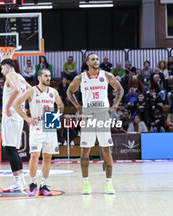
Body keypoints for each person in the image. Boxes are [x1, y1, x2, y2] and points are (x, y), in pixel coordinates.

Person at [67, 53, 124, 194]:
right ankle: (86, 183)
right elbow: (69, 91)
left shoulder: (106, 75)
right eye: (93, 59)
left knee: (106, 149)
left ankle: (109, 183)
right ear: (87, 62)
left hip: (103, 114)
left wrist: (115, 105)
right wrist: (77, 106)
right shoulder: (80, 77)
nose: (96, 61)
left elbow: (120, 89)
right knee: (85, 151)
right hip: (87, 115)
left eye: (97, 59)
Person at [14, 68, 64, 196]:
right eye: (46, 76)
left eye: (49, 76)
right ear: (39, 78)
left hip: (50, 125)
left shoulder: (53, 92)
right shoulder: (32, 90)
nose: (48, 78)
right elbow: (16, 104)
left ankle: (44, 185)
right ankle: (32, 184)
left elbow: (61, 105)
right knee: (34, 155)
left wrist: (57, 115)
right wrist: (27, 118)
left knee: (48, 156)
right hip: (36, 126)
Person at [0, 58, 31, 194]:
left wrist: (8, 106)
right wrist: (23, 106)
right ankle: (22, 182)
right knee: (14, 150)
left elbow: (17, 90)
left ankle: (17, 183)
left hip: (11, 116)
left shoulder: (10, 75)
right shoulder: (20, 76)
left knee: (10, 149)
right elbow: (29, 90)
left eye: (2, 68)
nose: (1, 71)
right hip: (18, 116)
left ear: (6, 67)